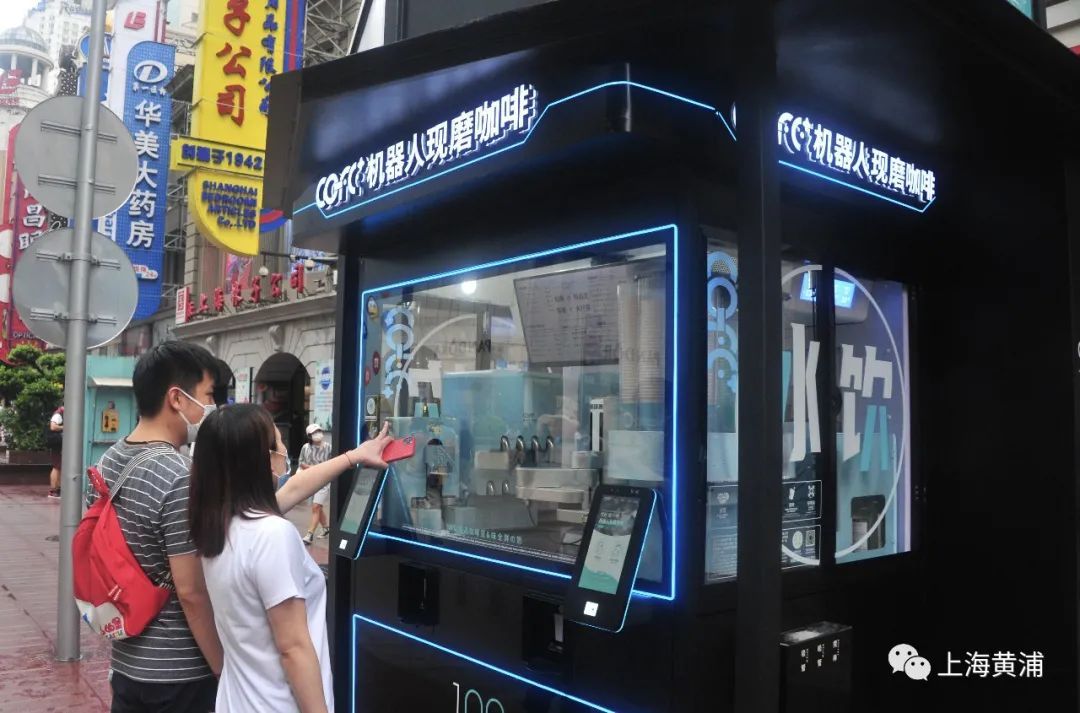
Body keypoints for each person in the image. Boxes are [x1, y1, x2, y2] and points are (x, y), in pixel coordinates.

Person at [189, 405, 391, 713]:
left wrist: (355, 456)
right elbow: (293, 649)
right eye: (278, 443)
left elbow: (295, 487)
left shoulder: (218, 526)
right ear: (259, 459)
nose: (284, 450)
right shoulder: (272, 535)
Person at [87, 341, 224, 713]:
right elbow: (191, 592)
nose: (211, 406)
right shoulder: (179, 476)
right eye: (208, 395)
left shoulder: (108, 461)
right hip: (179, 673)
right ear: (177, 398)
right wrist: (222, 668)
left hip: (126, 662)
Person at [299, 424, 333, 544]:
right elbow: (301, 462)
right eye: (314, 432)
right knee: (318, 507)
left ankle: (309, 534)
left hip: (324, 480)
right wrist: (312, 468)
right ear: (309, 436)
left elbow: (333, 462)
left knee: (316, 507)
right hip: (311, 480)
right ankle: (326, 528)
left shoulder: (329, 447)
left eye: (319, 431)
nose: (317, 434)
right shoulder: (306, 448)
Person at [47, 406, 63, 498]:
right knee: (57, 466)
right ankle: (53, 490)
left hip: (59, 444)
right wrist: (65, 427)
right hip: (57, 444)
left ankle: (58, 489)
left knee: (59, 466)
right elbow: (53, 427)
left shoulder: (61, 413)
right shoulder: (59, 414)